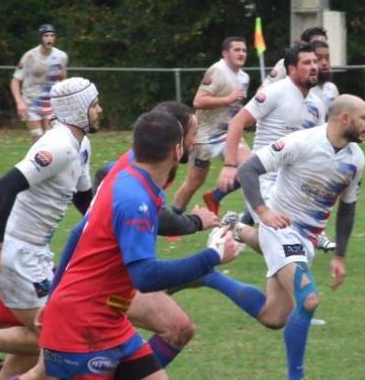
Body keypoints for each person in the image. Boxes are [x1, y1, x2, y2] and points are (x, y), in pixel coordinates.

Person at [17, 110, 241, 380]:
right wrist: (213, 255)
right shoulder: (135, 199)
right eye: (193, 135)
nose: (196, 142)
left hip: (111, 320)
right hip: (83, 326)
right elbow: (145, 277)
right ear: (177, 149)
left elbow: (79, 233)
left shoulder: (131, 178)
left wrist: (53, 297)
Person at [0, 77, 102, 380]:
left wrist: (105, 227)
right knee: (55, 338)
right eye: (93, 105)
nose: (99, 110)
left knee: (43, 333)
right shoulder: (58, 147)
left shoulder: (81, 143)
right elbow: (5, 186)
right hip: (16, 252)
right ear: (78, 110)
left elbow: (83, 197)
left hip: (34, 250)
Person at [201, 94, 365, 380]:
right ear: (345, 118)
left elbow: (347, 210)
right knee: (308, 300)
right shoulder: (302, 142)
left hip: (307, 240)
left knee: (273, 317)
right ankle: (296, 376)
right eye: (364, 117)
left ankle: (208, 275)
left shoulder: (356, 160)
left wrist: (340, 255)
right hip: (280, 229)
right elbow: (248, 168)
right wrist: (263, 211)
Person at [217, 42, 334, 250]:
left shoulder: (317, 104)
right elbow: (237, 122)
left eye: (315, 62)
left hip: (293, 183)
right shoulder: (274, 93)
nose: (314, 66)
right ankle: (237, 228)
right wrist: (229, 164)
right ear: (291, 69)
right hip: (264, 179)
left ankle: (236, 226)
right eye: (307, 63)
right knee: (280, 245)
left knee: (292, 244)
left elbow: (318, 143)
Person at [171, 37, 251, 216]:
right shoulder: (217, 71)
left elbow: (235, 108)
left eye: (244, 50)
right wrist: (227, 99)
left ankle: (215, 197)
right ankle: (174, 218)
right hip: (205, 136)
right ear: (225, 53)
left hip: (228, 133)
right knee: (194, 181)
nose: (241, 53)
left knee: (252, 167)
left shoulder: (244, 77)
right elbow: (198, 101)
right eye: (237, 50)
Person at [10, 24, 69, 142]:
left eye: (52, 35)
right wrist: (19, 102)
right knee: (37, 139)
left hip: (51, 103)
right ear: (40, 38)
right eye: (46, 36)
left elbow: (63, 79)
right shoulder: (30, 56)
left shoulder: (61, 56)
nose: (49, 39)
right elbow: (15, 80)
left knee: (50, 140)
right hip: (32, 102)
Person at [262, 26, 327, 87]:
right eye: (316, 44)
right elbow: (265, 89)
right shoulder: (287, 62)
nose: (320, 47)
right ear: (304, 43)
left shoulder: (326, 66)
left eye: (323, 44)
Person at [309, 40, 339, 113]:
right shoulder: (305, 90)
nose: (324, 63)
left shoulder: (332, 88)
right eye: (319, 59)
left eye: (327, 58)